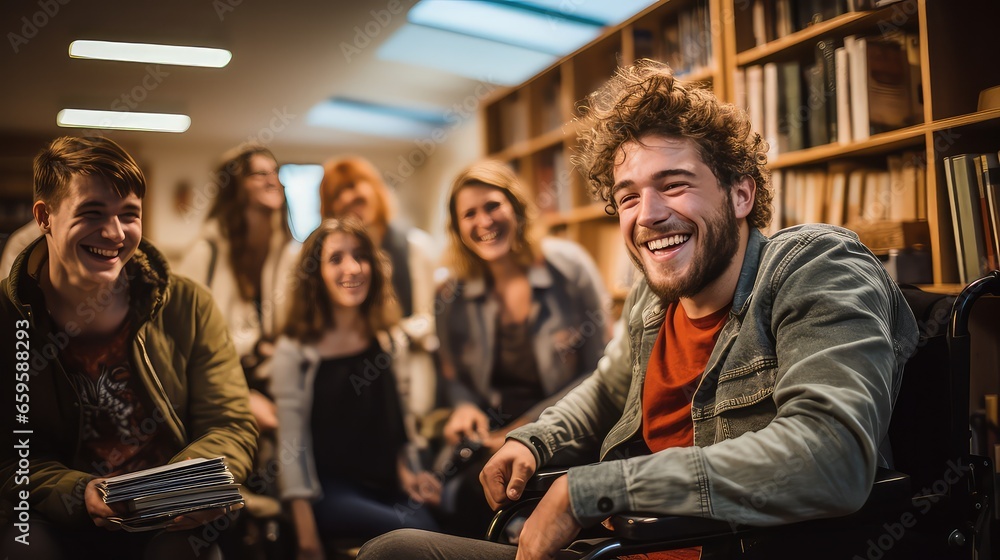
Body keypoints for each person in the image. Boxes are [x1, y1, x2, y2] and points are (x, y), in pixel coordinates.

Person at [357, 60, 920, 560]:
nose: (647, 215)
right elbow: (604, 391)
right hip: (613, 546)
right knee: (395, 549)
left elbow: (832, 460)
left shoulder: (815, 267)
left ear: (741, 194)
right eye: (628, 196)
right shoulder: (655, 300)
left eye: (673, 185)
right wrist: (535, 440)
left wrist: (596, 489)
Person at [0, 136, 258, 559]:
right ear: (45, 217)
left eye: (129, 215)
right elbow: (9, 456)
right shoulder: (7, 317)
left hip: (169, 520)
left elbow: (230, 422)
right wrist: (80, 492)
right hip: (51, 518)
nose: (115, 233)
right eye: (92, 213)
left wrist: (181, 488)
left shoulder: (188, 305)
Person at [433, 160, 610, 536]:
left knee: (474, 496)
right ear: (456, 228)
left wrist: (521, 430)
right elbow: (452, 374)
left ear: (516, 207)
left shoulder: (570, 267)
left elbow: (601, 369)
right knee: (443, 497)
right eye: (469, 214)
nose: (483, 221)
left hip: (569, 419)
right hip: (491, 427)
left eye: (492, 206)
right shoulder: (453, 295)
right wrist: (463, 405)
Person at [271, 217, 441, 558]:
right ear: (314, 273)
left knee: (447, 524)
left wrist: (409, 472)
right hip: (330, 493)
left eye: (360, 256)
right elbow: (292, 447)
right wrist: (306, 539)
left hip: (387, 486)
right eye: (336, 259)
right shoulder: (295, 351)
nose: (352, 268)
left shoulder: (387, 339)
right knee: (422, 539)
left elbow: (391, 423)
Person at [319, 156, 439, 419]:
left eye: (357, 185)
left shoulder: (416, 246)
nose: (351, 196)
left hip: (412, 383)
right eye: (339, 192)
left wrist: (393, 335)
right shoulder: (326, 261)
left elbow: (430, 318)